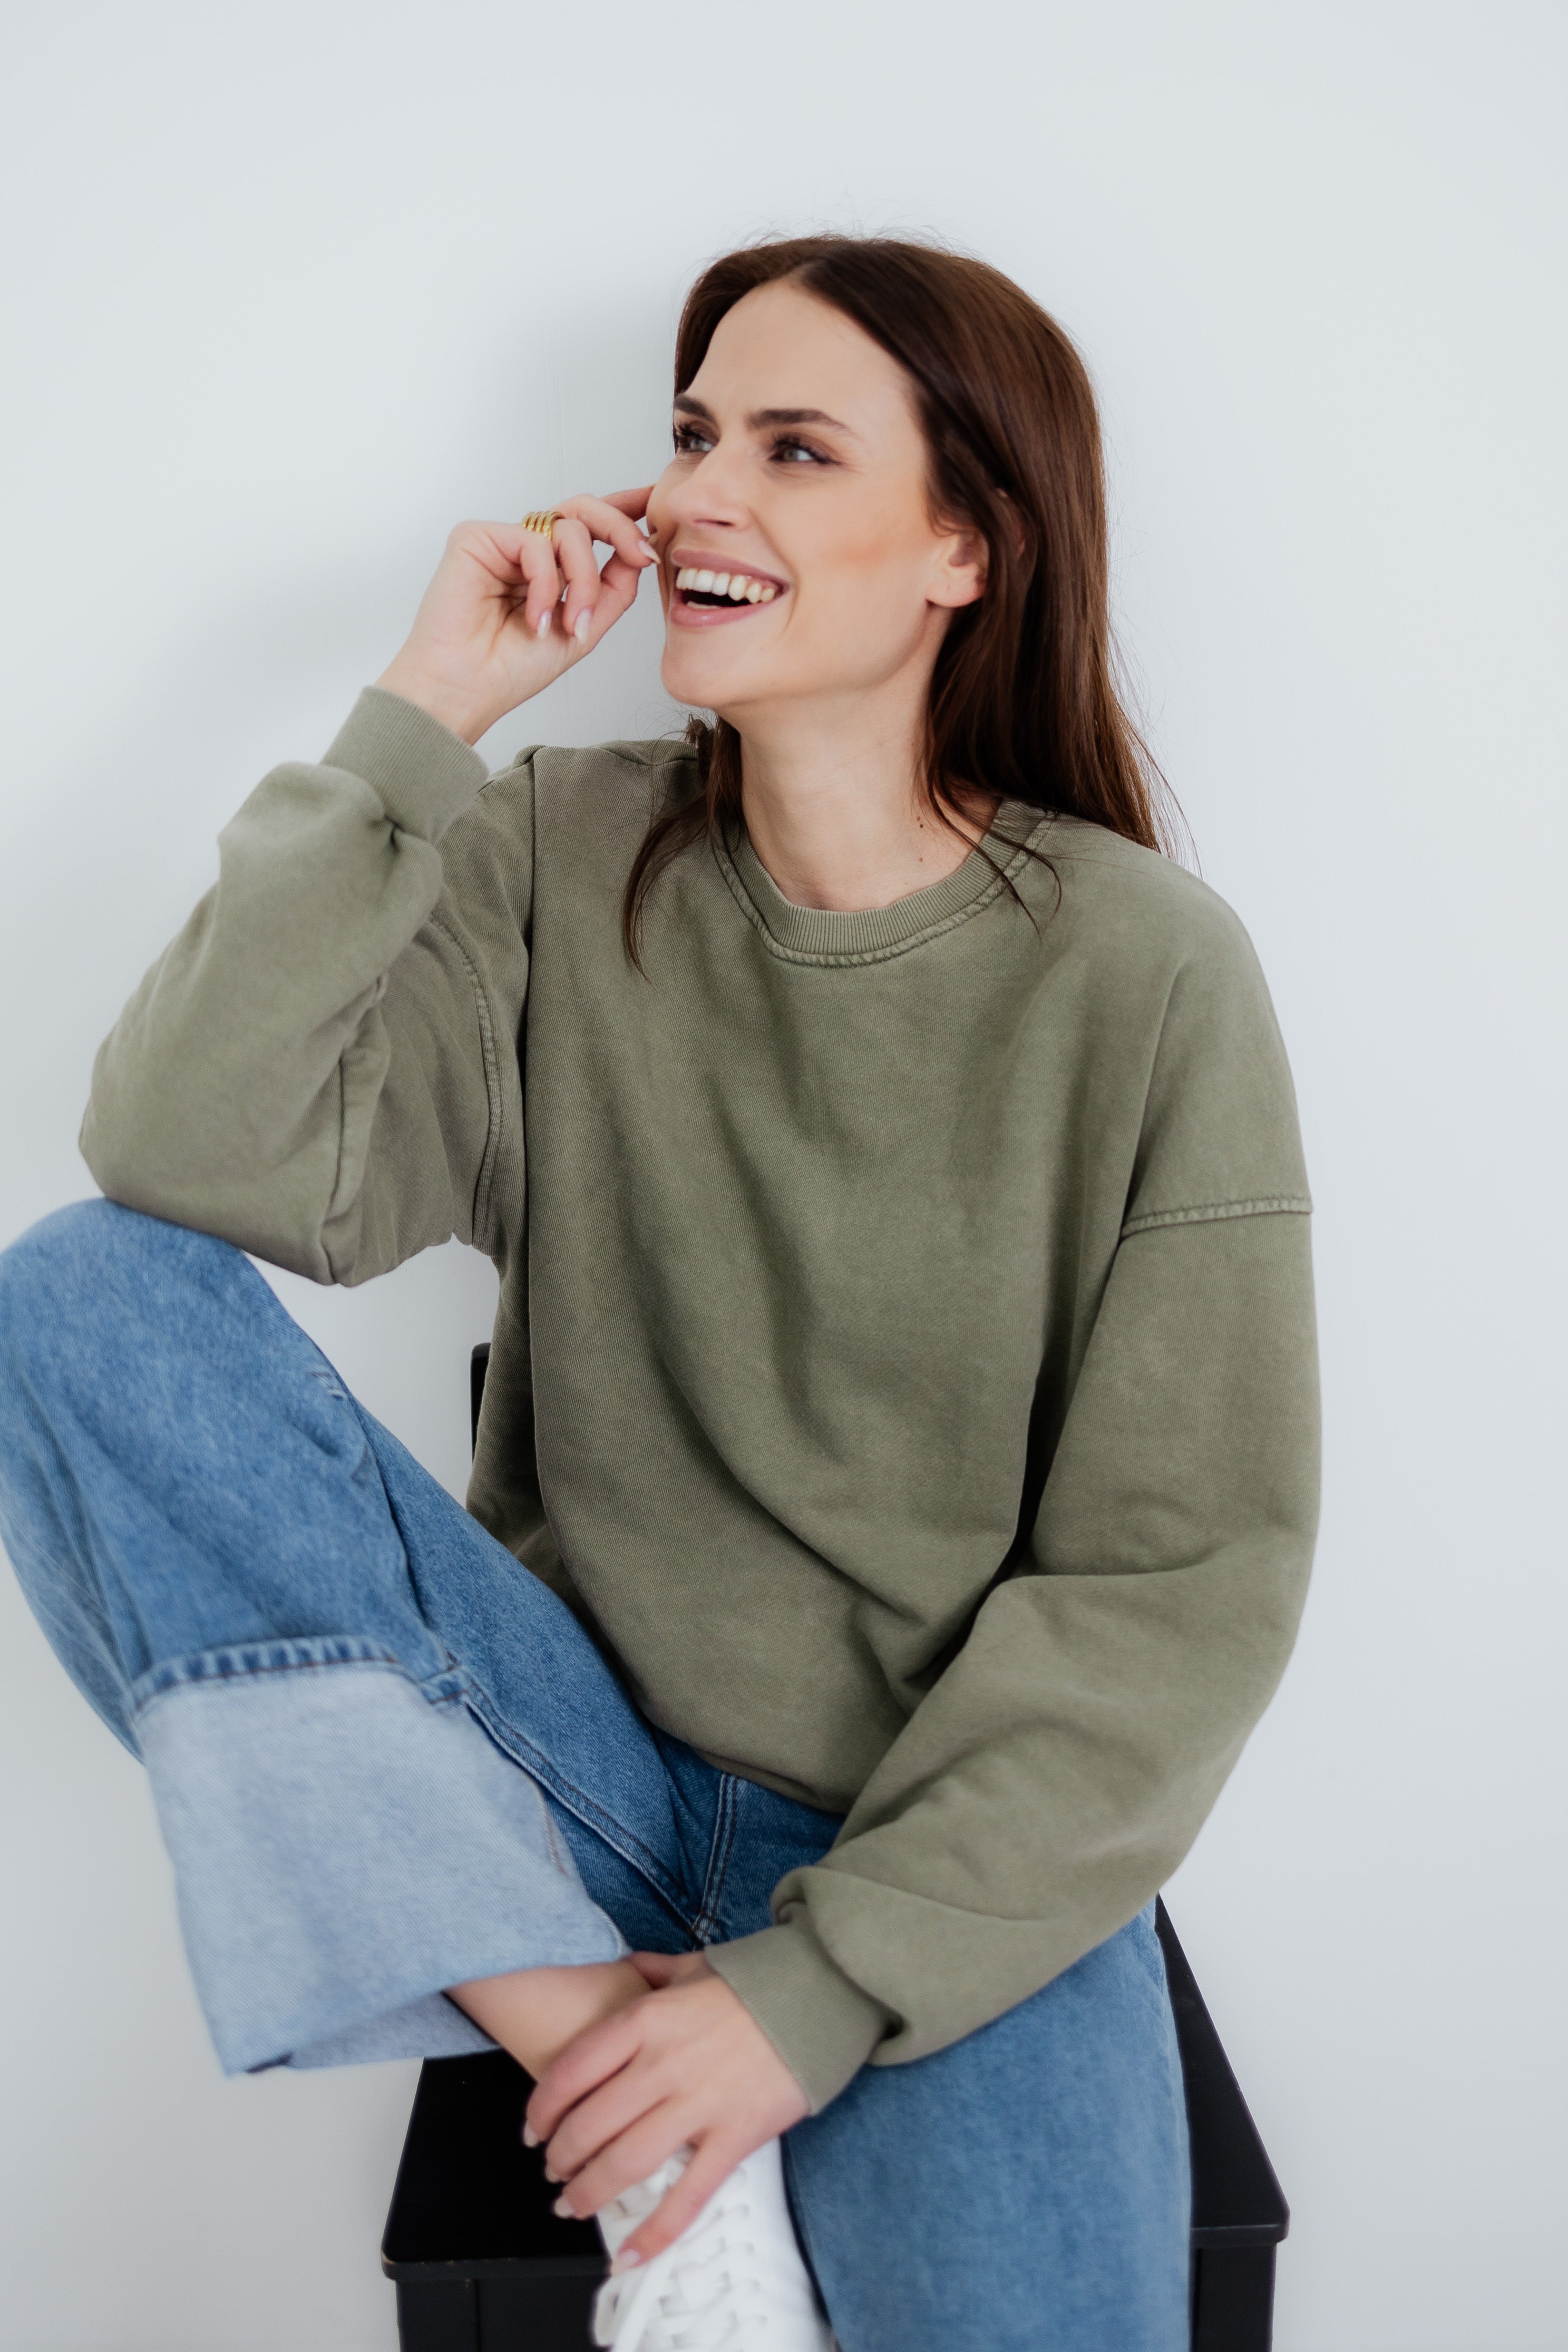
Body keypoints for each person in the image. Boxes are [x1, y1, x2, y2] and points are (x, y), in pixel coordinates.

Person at [0, 234, 1319, 2352]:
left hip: (936, 1846)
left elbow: (1177, 1584)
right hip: (572, 1777)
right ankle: (636, 2130)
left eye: (794, 449)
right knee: (78, 1300)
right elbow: (183, 1151)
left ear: (966, 550)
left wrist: (812, 1992)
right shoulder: (549, 853)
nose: (701, 489)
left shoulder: (1146, 971)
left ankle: (694, 2076)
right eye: (695, 434)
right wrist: (425, 716)